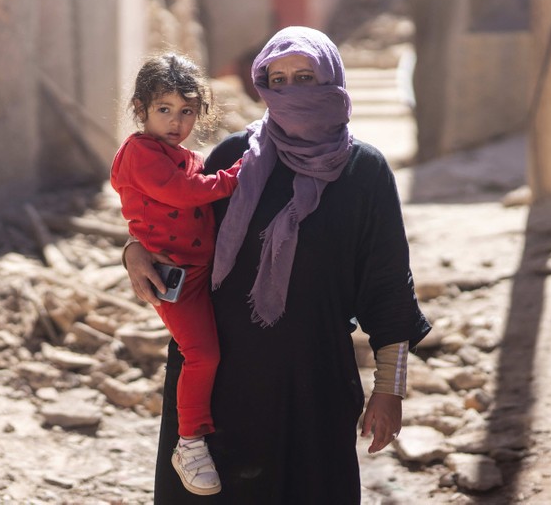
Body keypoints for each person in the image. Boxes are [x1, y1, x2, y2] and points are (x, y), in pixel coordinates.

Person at [123, 27, 431, 504]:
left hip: (314, 383)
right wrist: (133, 250)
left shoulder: (363, 172)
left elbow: (388, 285)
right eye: (278, 79)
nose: (290, 90)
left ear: (331, 79)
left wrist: (389, 390)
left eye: (305, 76)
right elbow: (172, 224)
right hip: (222, 382)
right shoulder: (234, 158)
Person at [111, 52, 242, 496]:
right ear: (141, 109)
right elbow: (183, 194)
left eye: (187, 111)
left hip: (204, 271)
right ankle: (188, 443)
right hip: (178, 280)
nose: (176, 121)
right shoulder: (141, 154)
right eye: (164, 109)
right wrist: (236, 176)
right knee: (202, 355)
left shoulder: (179, 154)